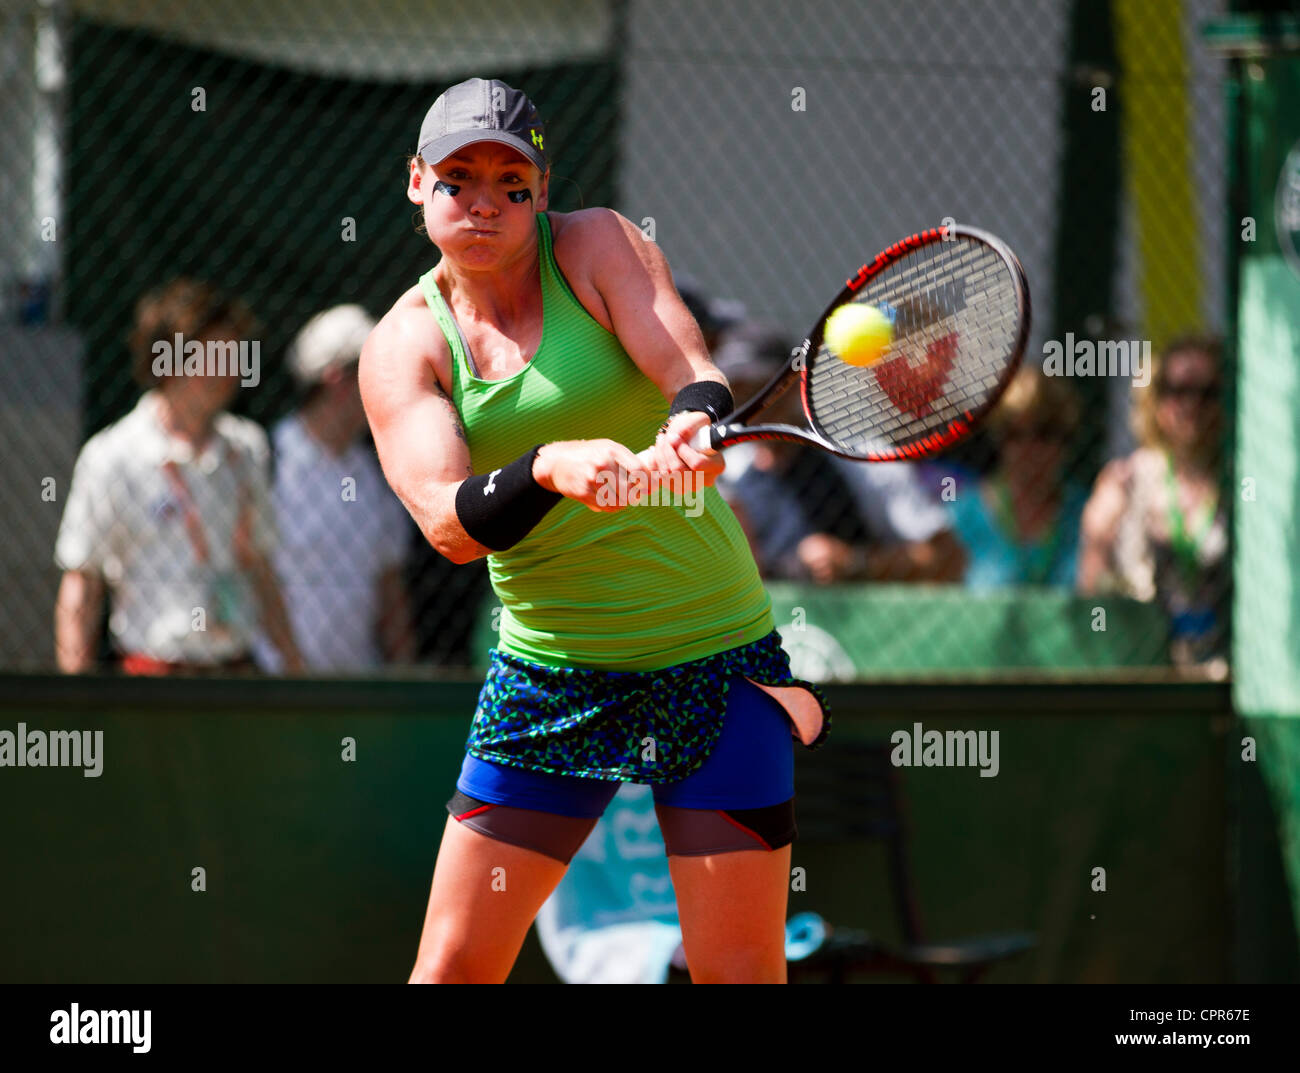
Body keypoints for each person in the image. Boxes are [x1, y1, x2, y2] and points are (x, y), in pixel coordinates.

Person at [359, 77, 828, 984]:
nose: (486, 203)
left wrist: (693, 418)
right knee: (452, 968)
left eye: (513, 182)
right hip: (552, 677)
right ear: (417, 183)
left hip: (717, 659)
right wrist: (546, 467)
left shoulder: (597, 244)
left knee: (739, 972)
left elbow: (688, 367)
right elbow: (449, 524)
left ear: (544, 189)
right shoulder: (405, 345)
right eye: (460, 180)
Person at [54, 278, 303, 674]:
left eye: (233, 354)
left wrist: (295, 669)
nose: (227, 369)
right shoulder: (112, 456)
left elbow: (262, 570)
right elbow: (83, 582)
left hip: (236, 675)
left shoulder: (247, 449)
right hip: (150, 680)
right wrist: (74, 694)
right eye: (210, 355)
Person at [712, 322, 966, 583]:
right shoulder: (727, 475)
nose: (749, 401)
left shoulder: (865, 461)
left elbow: (948, 558)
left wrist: (855, 562)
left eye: (759, 386)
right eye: (737, 389)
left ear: (791, 385)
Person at [254, 304, 415, 672]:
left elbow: (390, 588)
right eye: (375, 371)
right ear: (337, 380)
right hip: (274, 688)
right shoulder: (267, 460)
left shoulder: (379, 474)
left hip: (358, 688)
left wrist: (404, 670)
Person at [1077, 335, 1229, 671]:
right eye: (1178, 391)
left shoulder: (1239, 483)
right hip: (1142, 663)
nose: (1192, 405)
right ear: (1155, 400)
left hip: (1224, 664)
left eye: (1207, 394)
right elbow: (1092, 589)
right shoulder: (1125, 480)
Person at [946, 365, 1087, 588]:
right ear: (998, 439)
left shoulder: (1088, 516)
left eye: (1044, 432)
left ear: (1066, 438)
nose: (1029, 448)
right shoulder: (961, 517)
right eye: (1015, 434)